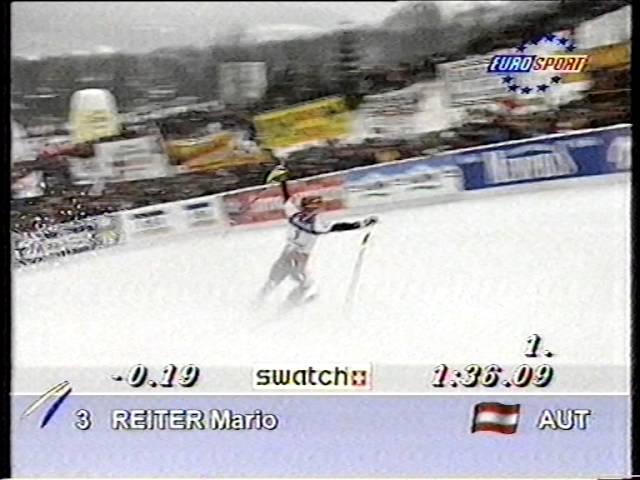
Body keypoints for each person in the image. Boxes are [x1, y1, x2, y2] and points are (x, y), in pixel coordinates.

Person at [258, 165, 378, 306]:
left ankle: (257, 303)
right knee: (305, 284)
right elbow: (337, 227)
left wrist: (283, 182)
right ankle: (286, 308)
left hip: (286, 253)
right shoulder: (316, 223)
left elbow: (287, 199)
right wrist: (361, 224)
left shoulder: (293, 213)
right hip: (298, 257)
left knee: (274, 280)